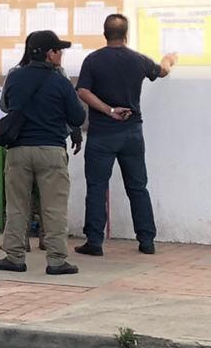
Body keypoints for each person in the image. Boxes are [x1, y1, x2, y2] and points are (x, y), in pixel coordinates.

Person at [75, 14, 178, 256]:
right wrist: (169, 59)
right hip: (132, 132)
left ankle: (94, 241)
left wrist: (109, 111)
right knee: (138, 186)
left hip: (101, 134)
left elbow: (82, 90)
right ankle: (146, 240)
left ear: (104, 33)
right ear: (126, 34)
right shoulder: (138, 60)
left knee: (97, 187)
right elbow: (161, 71)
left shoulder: (93, 60)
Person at [0, 30, 87, 276]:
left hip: (18, 151)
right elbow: (78, 116)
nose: (61, 55)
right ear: (48, 54)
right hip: (51, 150)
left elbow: (5, 106)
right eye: (58, 50)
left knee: (16, 206)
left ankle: (14, 257)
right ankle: (56, 261)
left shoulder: (15, 77)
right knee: (54, 208)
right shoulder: (60, 82)